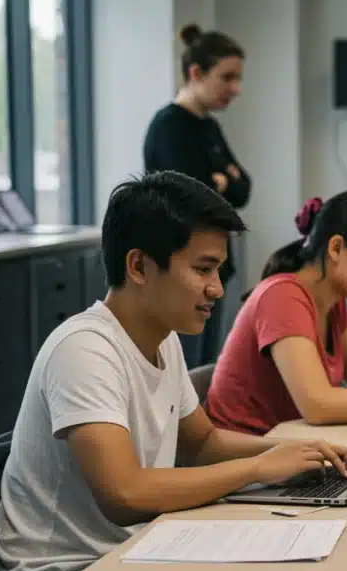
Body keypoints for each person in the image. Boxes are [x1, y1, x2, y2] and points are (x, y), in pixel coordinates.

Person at [0, 172, 347, 571]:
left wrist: (292, 451)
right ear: (139, 266)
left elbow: (202, 443)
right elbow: (124, 493)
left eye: (219, 271)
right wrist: (258, 466)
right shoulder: (85, 350)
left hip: (133, 563)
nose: (217, 289)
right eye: (203, 269)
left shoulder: (164, 342)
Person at [206, 191, 347, 436]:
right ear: (336, 248)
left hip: (289, 449)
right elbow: (317, 405)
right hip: (249, 457)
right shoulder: (282, 296)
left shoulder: (334, 302)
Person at [144, 24, 250, 369]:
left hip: (215, 267)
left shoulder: (209, 127)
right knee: (182, 367)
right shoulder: (169, 126)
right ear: (196, 73)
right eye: (227, 77)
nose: (235, 89)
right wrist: (220, 180)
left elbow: (243, 188)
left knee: (205, 367)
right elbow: (193, 194)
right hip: (179, 267)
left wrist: (220, 182)